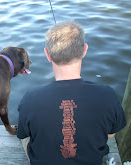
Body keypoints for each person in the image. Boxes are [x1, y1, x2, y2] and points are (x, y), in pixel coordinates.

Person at [17, 20, 126, 165]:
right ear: (84, 50)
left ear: (47, 54)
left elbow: (22, 134)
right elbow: (111, 134)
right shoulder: (108, 95)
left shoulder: (30, 98)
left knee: (25, 136)